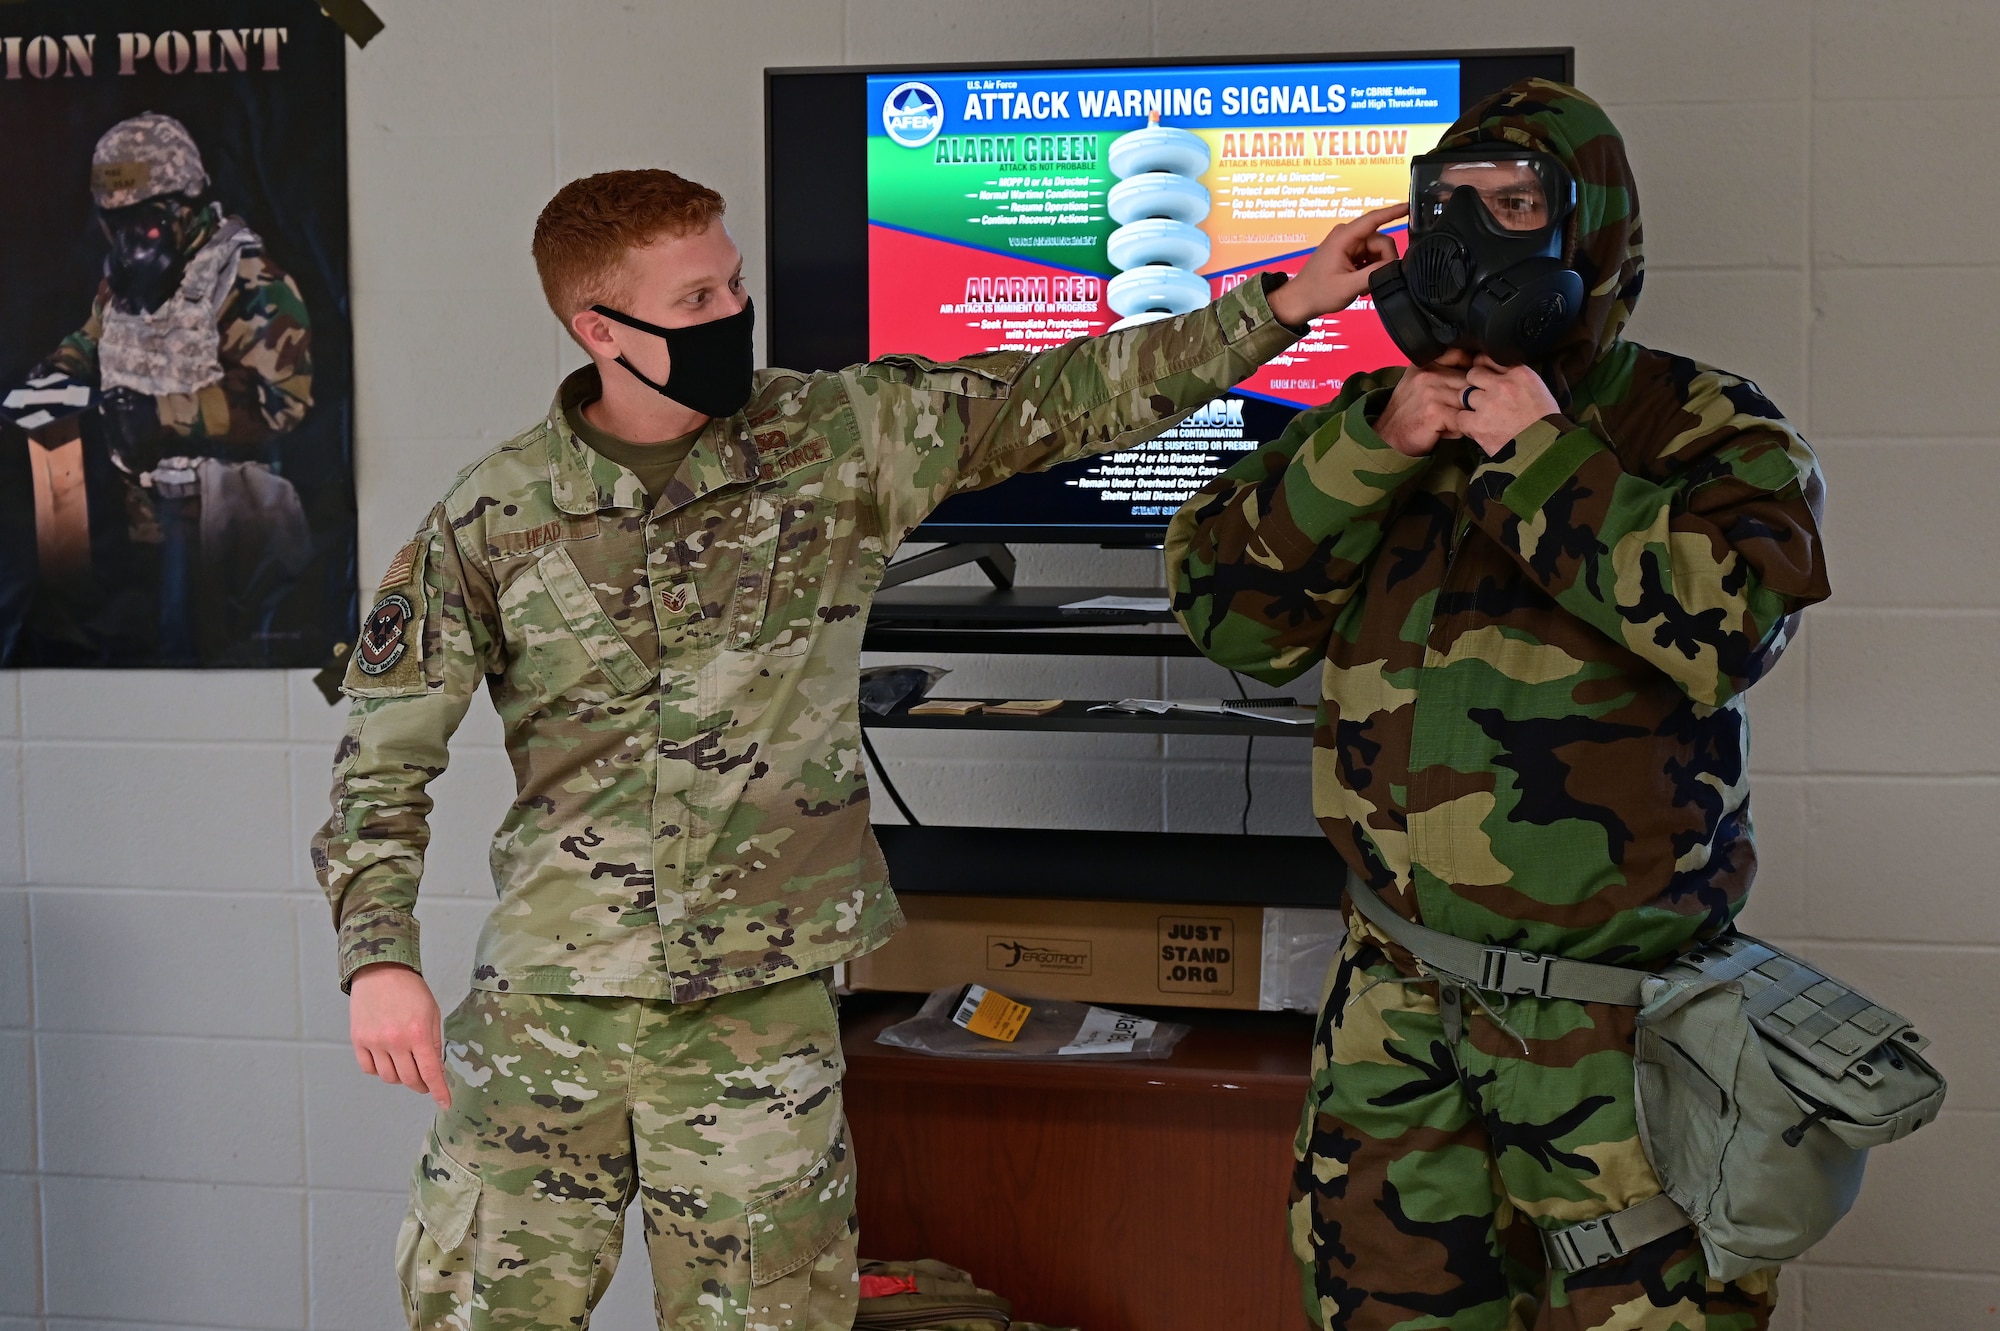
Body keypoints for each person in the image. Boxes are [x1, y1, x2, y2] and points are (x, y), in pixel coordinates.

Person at [312, 166, 1406, 1330]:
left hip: (760, 1013)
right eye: (695, 302)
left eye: (734, 285)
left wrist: (1282, 306)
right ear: (598, 329)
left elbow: (1069, 391)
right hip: (549, 1004)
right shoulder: (493, 512)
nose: (733, 315)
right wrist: (378, 957)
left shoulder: (837, 435)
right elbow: (383, 753)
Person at [1164, 80, 1829, 1331]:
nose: (1471, 240)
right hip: (1395, 1003)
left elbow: (1729, 625)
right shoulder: (1380, 428)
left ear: (1589, 235)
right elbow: (1229, 619)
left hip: (1611, 1028)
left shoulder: (1699, 423)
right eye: (1447, 208)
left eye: (1514, 205)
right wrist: (1371, 448)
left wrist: (1540, 456)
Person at [33, 111, 315, 664]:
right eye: (115, 223)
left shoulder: (249, 280)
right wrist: (61, 369)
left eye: (148, 221)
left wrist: (166, 414)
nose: (133, 241)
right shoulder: (122, 277)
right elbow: (96, 335)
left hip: (222, 526)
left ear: (186, 205)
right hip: (139, 524)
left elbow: (284, 399)